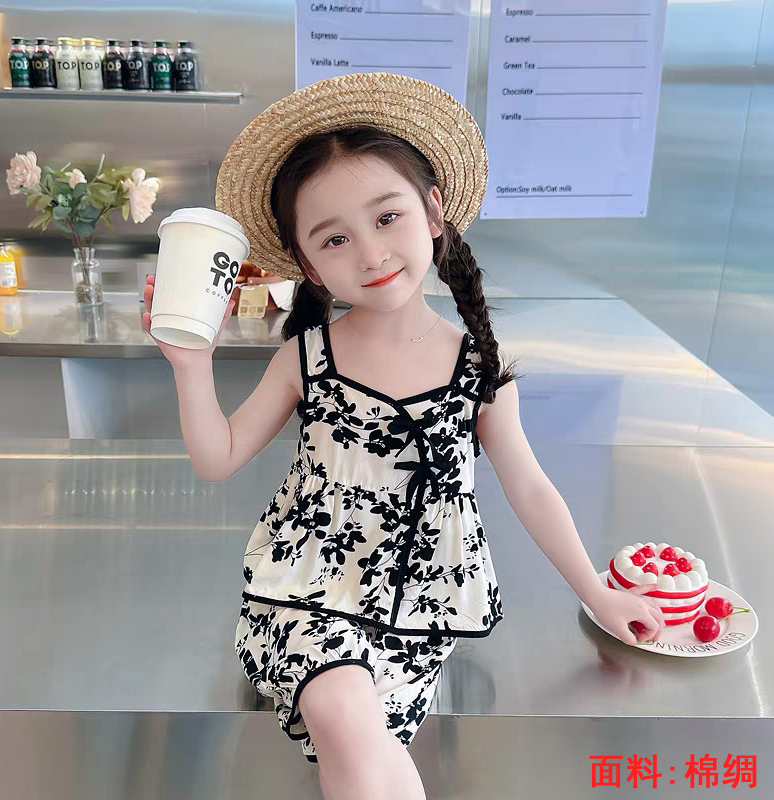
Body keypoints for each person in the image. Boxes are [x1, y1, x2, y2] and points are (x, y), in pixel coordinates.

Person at [141, 72, 665, 800]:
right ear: (309, 264)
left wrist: (598, 593)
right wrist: (190, 364)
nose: (370, 253)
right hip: (303, 596)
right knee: (341, 710)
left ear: (433, 212)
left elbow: (531, 488)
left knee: (361, 739)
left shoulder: (477, 368)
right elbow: (217, 458)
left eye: (387, 217)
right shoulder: (305, 358)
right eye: (335, 238)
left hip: (414, 615)